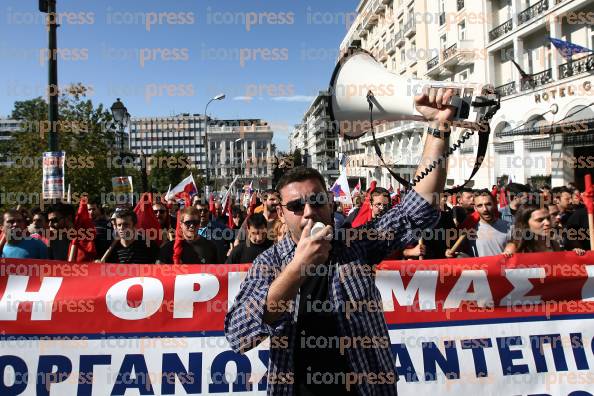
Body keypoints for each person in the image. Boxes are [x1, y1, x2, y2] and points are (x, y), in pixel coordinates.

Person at [225, 86, 455, 396]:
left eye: (318, 200)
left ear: (331, 204)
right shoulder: (270, 263)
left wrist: (439, 126)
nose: (309, 212)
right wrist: (296, 269)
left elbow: (421, 205)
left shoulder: (357, 244)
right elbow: (239, 334)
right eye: (296, 206)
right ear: (281, 212)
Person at [503, 204, 585, 256]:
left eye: (548, 218)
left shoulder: (554, 243)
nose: (547, 223)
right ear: (526, 224)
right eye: (540, 220)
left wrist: (574, 255)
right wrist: (506, 258)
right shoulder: (514, 248)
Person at [447, 190, 509, 258]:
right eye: (480, 205)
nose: (485, 209)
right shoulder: (469, 230)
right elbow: (463, 255)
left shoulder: (510, 228)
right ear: (475, 208)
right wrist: (452, 253)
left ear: (495, 204)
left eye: (488, 204)